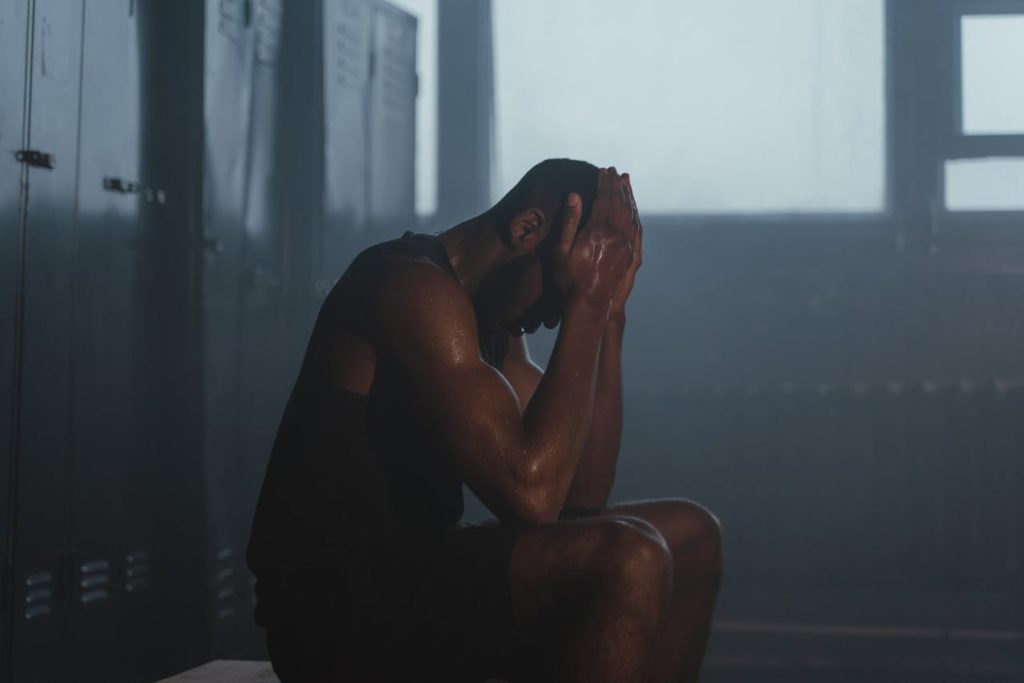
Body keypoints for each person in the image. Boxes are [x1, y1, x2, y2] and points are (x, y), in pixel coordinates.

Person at [246, 160, 722, 683]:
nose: (554, 315)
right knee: (629, 559)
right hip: (328, 611)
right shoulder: (409, 288)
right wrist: (585, 301)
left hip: (411, 576)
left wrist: (608, 314)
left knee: (691, 537)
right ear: (526, 229)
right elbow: (534, 497)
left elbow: (581, 497)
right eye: (560, 286)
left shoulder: (494, 328)